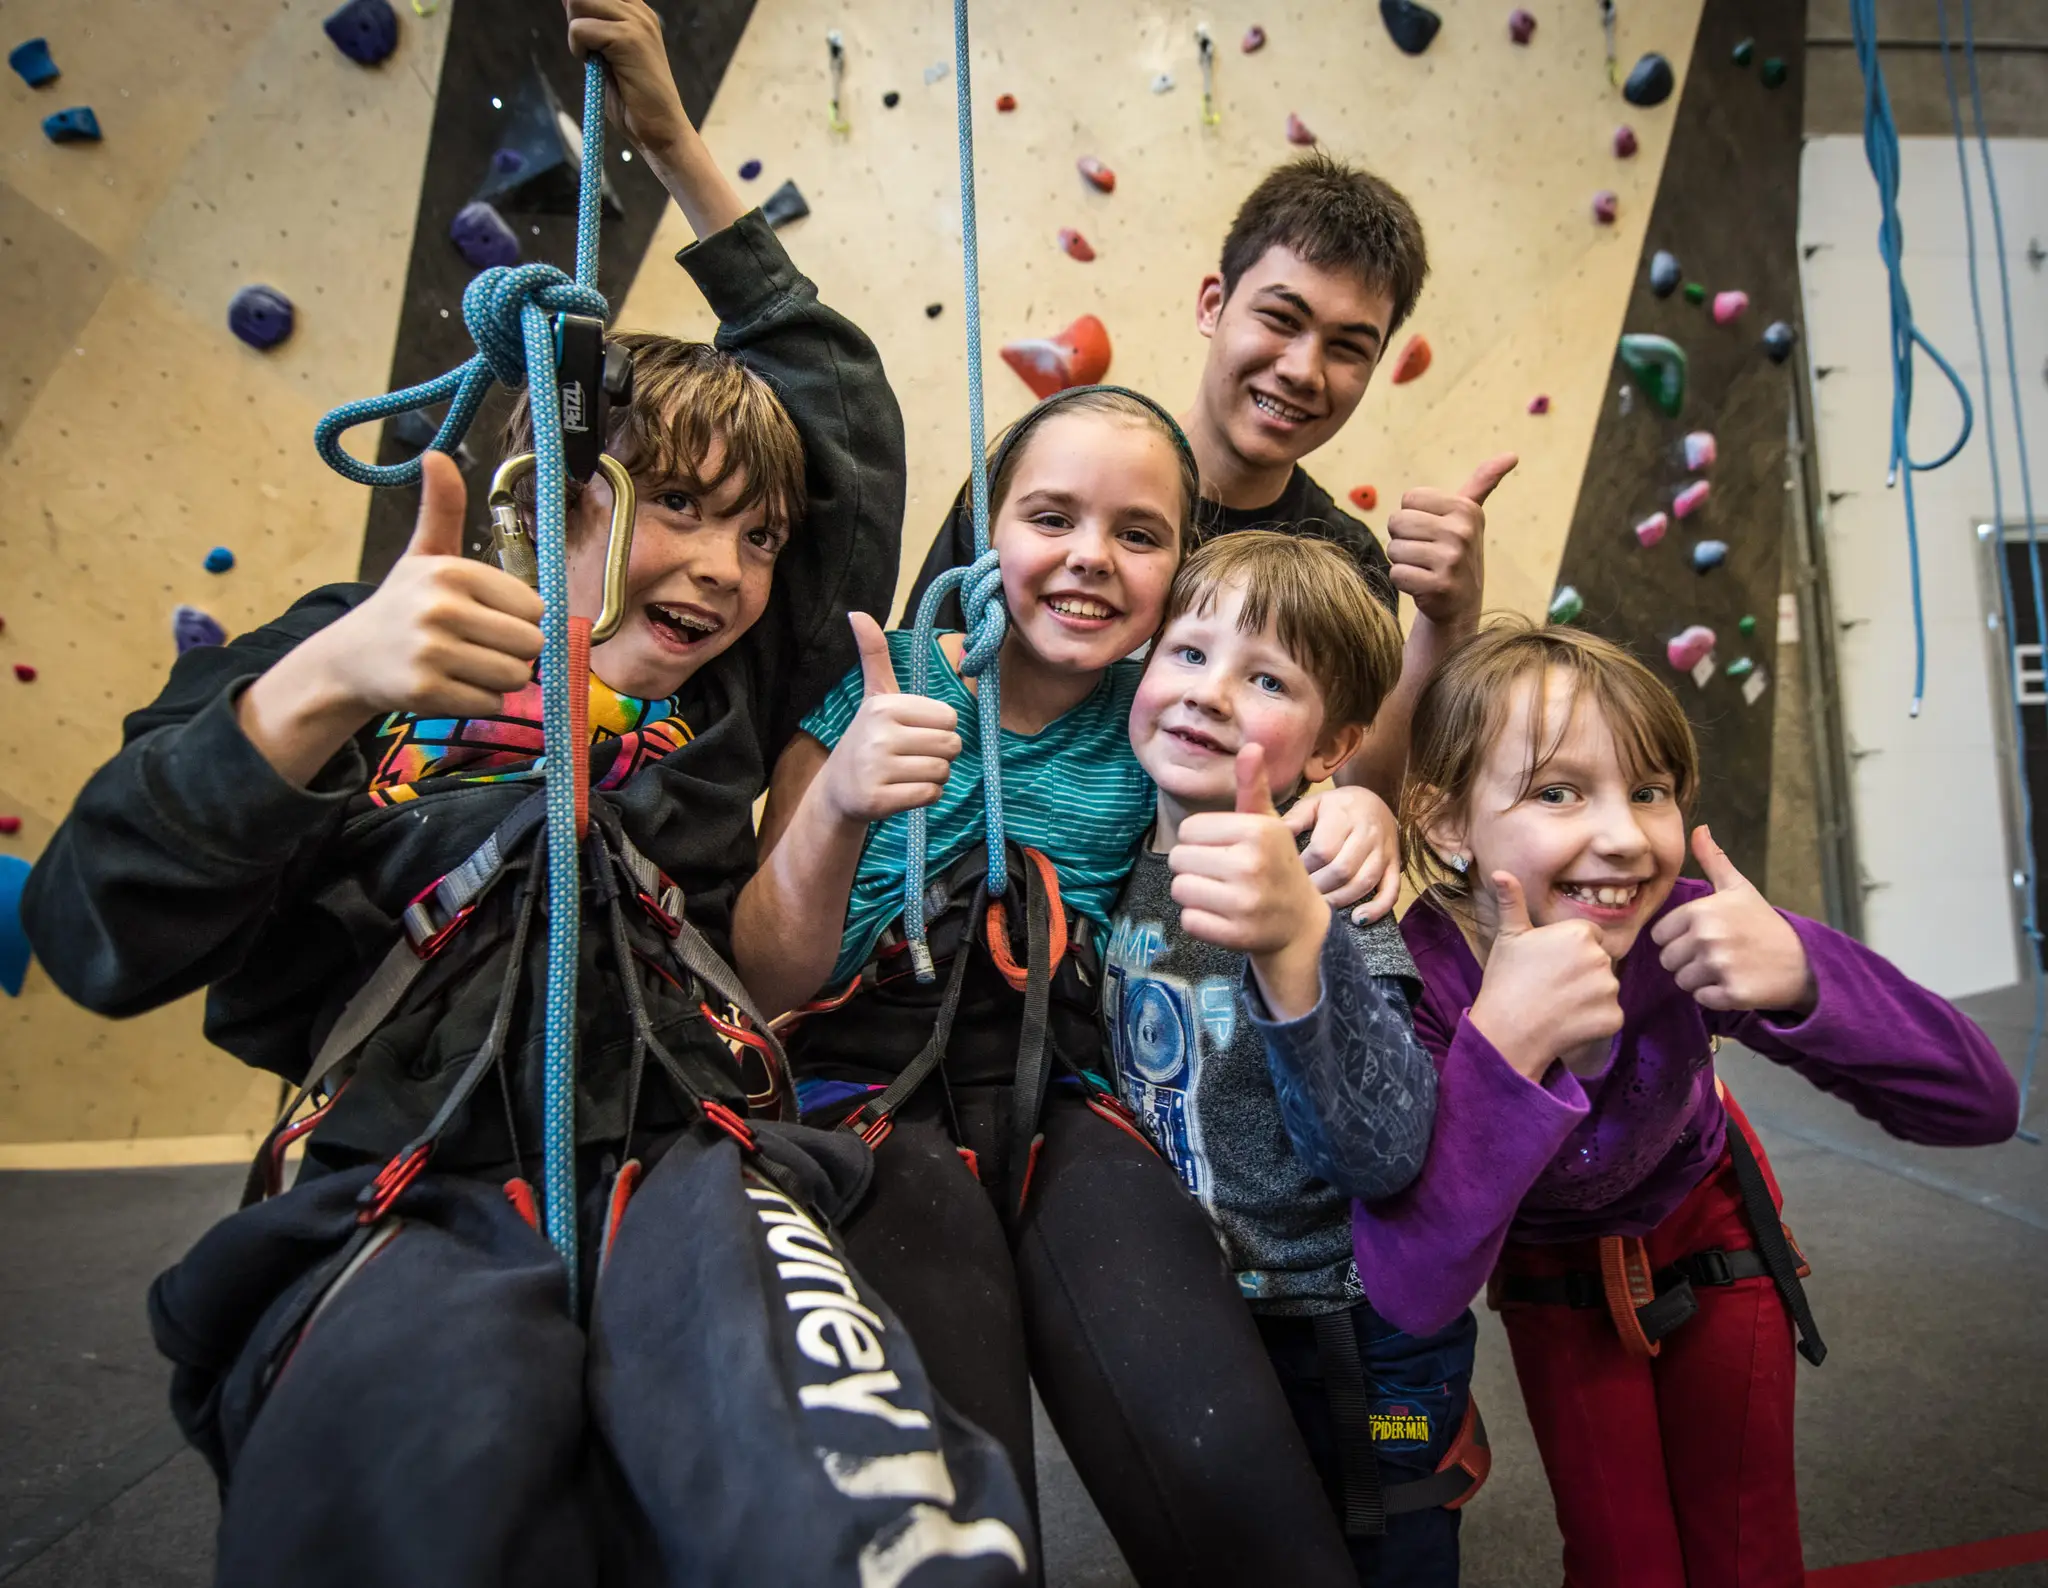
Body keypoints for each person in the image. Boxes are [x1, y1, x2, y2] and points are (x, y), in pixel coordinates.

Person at [20, 6, 1035, 1584]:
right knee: (428, 1474)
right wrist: (322, 690)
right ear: (541, 497)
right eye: (681, 507)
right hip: (405, 1181)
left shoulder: (724, 698)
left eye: (760, 538)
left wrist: (673, 145)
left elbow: (836, 405)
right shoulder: (352, 660)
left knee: (854, 1491)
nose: (726, 567)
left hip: (686, 1157)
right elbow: (96, 930)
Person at [736, 388, 1395, 1584]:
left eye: (1138, 535)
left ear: (1174, 572)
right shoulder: (881, 683)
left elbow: (1286, 751)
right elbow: (767, 976)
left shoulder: (1157, 707)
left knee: (1223, 1460)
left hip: (1055, 1089)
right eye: (1050, 517)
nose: (1090, 557)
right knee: (956, 1487)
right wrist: (835, 803)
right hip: (862, 1094)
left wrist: (1354, 803)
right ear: (990, 532)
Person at [1356, 620, 2022, 1588]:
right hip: (1553, 1271)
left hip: (1707, 1228)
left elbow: (1979, 1104)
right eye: (1555, 791)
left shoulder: (1683, 924)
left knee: (1745, 1550)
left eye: (1649, 790)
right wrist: (1506, 1046)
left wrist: (1802, 974)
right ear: (1445, 818)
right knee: (1624, 1560)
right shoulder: (1416, 979)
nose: (1624, 836)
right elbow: (1410, 1288)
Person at [1103, 530, 1482, 1585]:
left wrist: (1291, 944)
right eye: (1185, 653)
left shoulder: (1328, 890)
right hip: (1219, 1315)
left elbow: (1387, 1145)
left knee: (1385, 1549)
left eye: (1263, 678)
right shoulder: (1126, 854)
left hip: (1350, 1334)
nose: (1207, 693)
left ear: (1333, 746)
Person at [903, 151, 1517, 798]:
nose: (1304, 371)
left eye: (1347, 348)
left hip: (1182, 893)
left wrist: (1446, 622)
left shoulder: (1342, 563)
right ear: (1212, 304)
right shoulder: (1043, 478)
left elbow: (1367, 794)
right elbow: (920, 678)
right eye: (1281, 319)